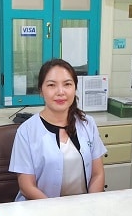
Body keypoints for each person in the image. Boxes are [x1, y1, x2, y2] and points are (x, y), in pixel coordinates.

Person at [9, 58, 107, 201]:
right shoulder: (26, 131)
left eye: (67, 84)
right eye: (51, 85)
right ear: (41, 91)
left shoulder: (87, 123)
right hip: (42, 210)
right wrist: (55, 211)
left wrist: (90, 205)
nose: (60, 92)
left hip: (83, 209)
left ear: (75, 88)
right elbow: (26, 186)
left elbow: (98, 174)